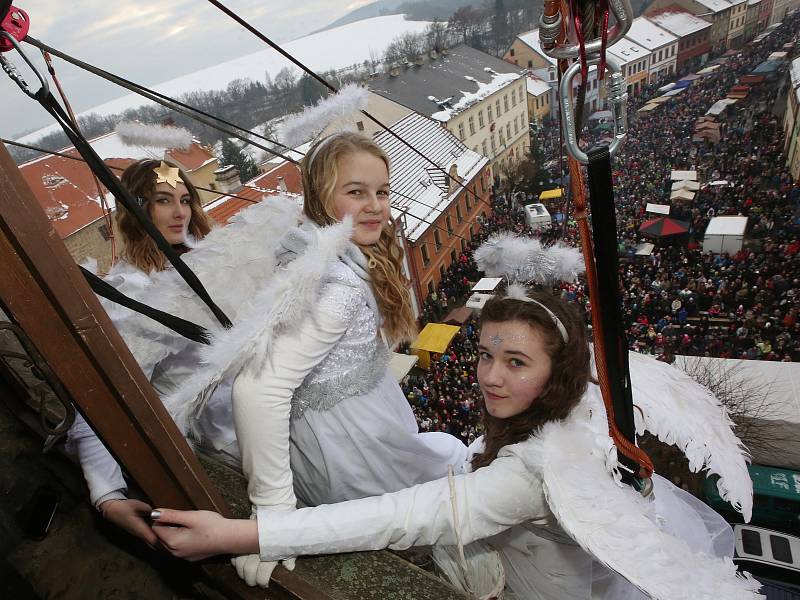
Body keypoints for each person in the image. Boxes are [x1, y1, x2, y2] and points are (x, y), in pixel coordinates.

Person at [151, 290, 761, 599]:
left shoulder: (536, 472)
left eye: (516, 361)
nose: (491, 376)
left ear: (560, 372)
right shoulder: (584, 395)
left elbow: (401, 517)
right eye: (487, 353)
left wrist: (241, 534)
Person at [163, 131, 469, 585]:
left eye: (381, 192)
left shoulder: (315, 248)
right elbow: (258, 388)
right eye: (355, 192)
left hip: (352, 428)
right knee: (414, 512)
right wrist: (273, 518)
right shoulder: (336, 285)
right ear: (321, 197)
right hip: (352, 448)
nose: (375, 205)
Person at [67, 158, 235, 548]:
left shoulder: (201, 260)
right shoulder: (131, 293)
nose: (180, 213)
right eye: (163, 201)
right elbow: (103, 390)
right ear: (137, 209)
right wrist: (106, 494)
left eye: (185, 199)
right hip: (227, 432)